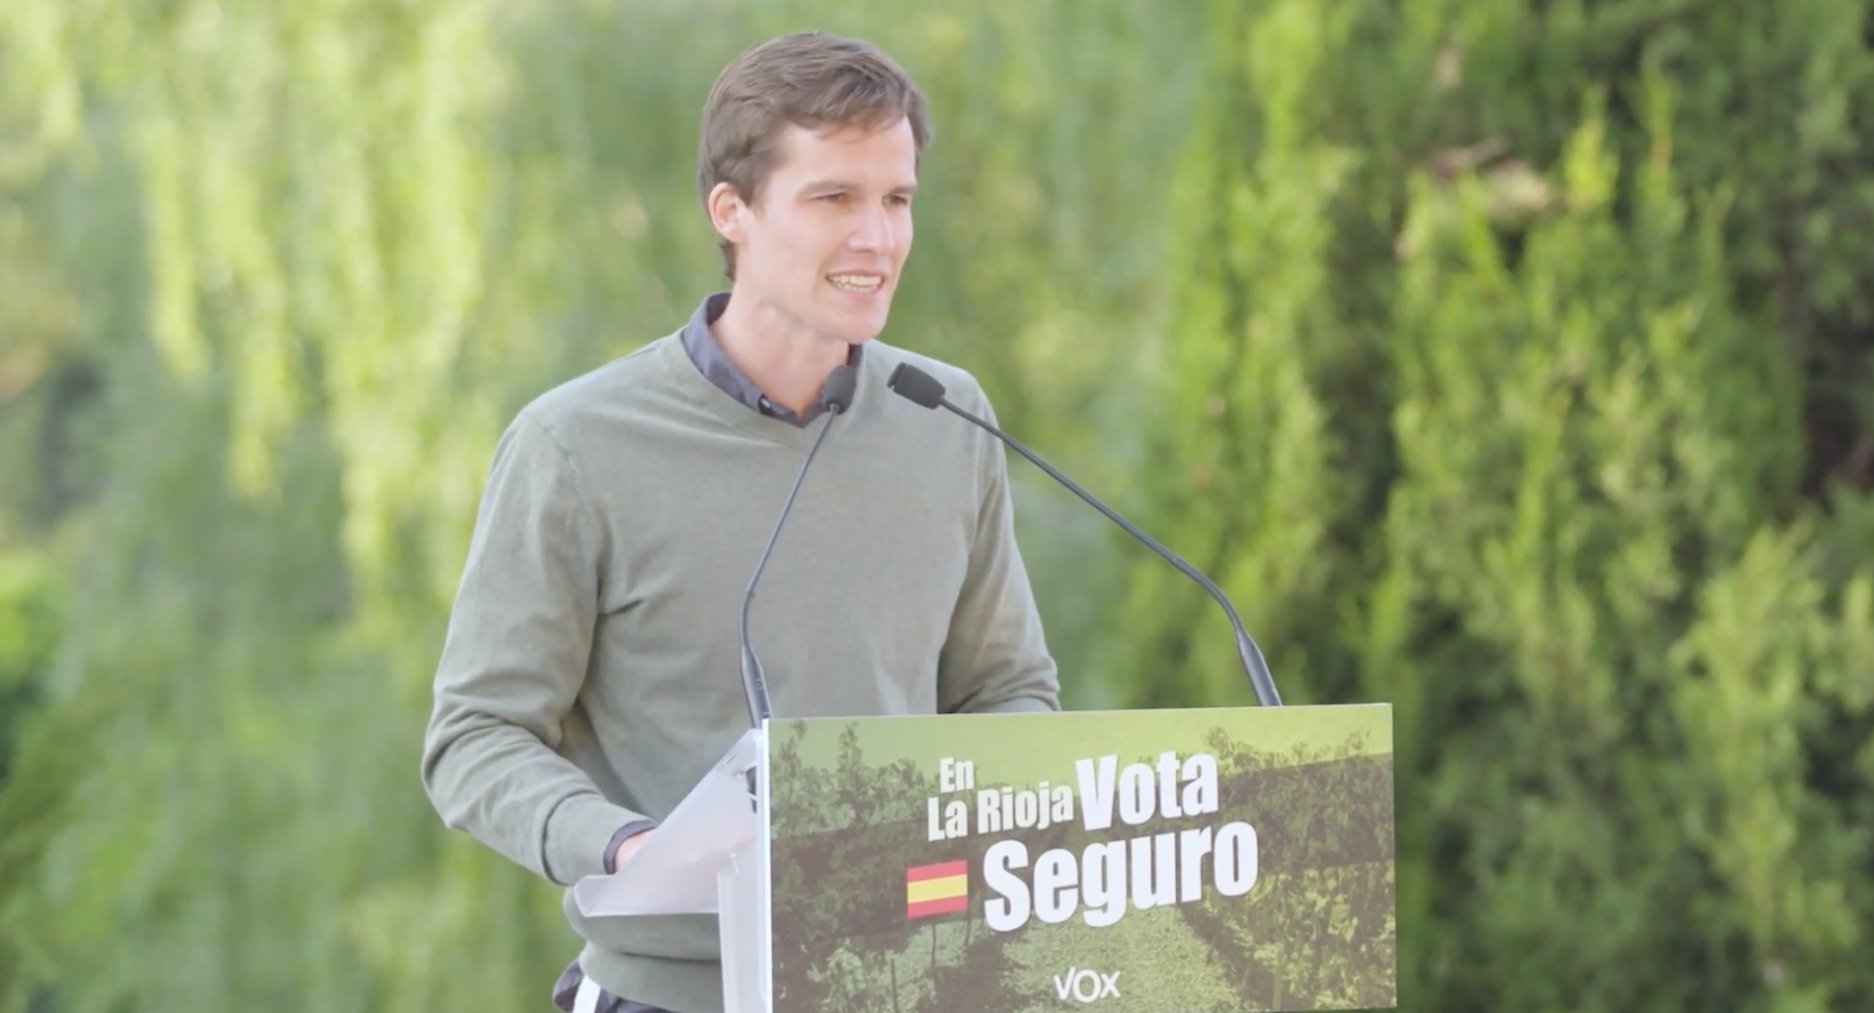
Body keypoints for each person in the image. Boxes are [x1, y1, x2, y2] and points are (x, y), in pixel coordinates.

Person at [420, 30, 1060, 1013]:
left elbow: (1005, 689)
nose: (876, 238)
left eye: (895, 199)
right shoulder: (573, 445)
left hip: (916, 978)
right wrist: (627, 844)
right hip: (671, 993)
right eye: (832, 198)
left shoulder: (948, 416)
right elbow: (475, 735)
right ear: (733, 212)